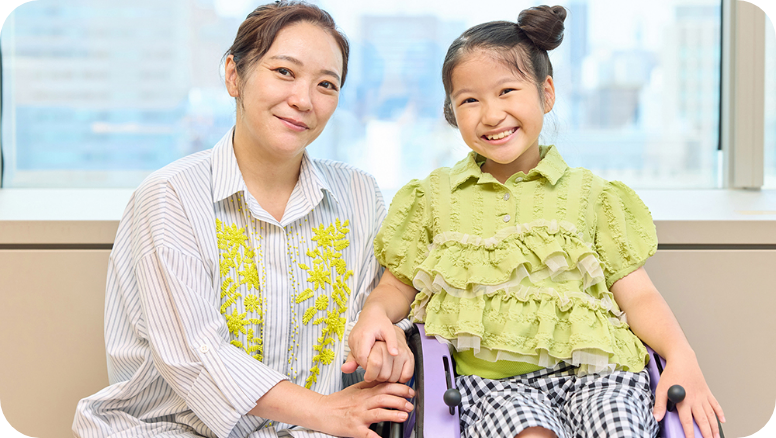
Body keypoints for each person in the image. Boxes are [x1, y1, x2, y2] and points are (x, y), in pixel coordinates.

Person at [344, 5, 726, 438]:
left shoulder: (592, 195)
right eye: (469, 100)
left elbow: (638, 296)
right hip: (493, 386)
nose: (491, 114)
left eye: (507, 91)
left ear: (547, 93)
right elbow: (397, 286)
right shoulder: (433, 196)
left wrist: (682, 355)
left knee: (617, 426)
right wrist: (374, 314)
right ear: (452, 112)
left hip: (598, 373)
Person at [73, 2, 415, 437]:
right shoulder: (170, 195)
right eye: (284, 72)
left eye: (326, 85)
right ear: (234, 75)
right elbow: (196, 356)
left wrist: (387, 340)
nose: (304, 100)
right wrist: (324, 410)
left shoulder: (360, 194)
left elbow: (378, 310)